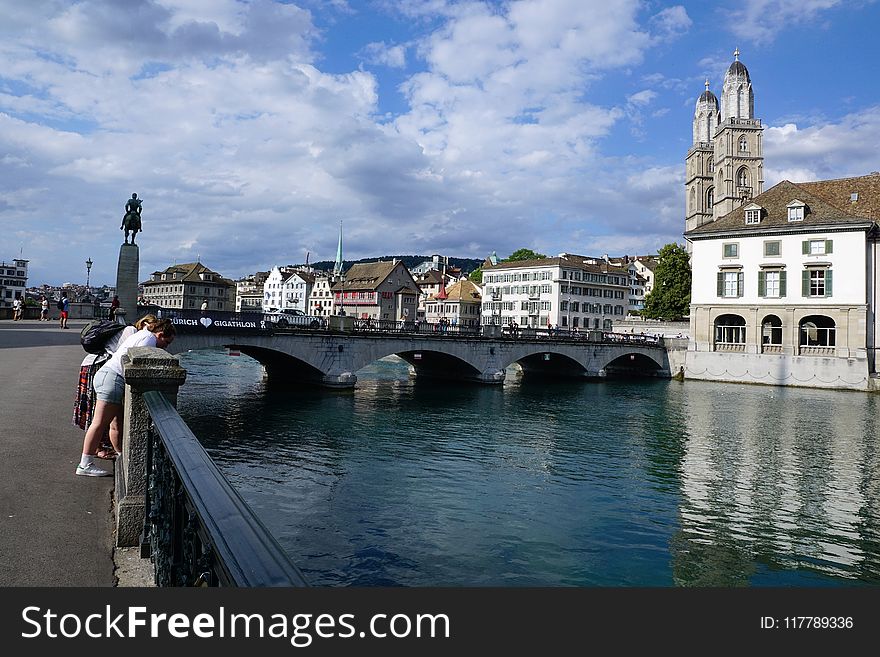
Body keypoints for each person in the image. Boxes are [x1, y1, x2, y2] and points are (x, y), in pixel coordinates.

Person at [76, 318, 175, 476]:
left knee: (115, 423)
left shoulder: (142, 334)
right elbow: (141, 364)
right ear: (161, 334)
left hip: (107, 376)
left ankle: (121, 455)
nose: (166, 346)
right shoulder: (148, 339)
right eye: (167, 342)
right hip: (113, 379)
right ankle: (85, 464)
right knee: (99, 424)